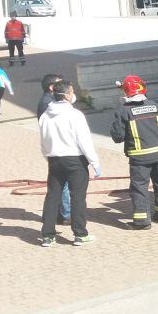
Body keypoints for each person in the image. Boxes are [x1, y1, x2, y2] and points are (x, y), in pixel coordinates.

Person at [38, 79, 100, 247]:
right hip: (75, 160)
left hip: (54, 159)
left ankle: (47, 235)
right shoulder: (75, 115)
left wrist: (49, 157)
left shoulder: (45, 116)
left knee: (52, 196)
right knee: (78, 197)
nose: (74, 95)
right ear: (66, 95)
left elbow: (43, 141)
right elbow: (84, 140)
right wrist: (94, 162)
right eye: (72, 92)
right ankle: (80, 234)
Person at [110, 74, 158, 229]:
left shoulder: (124, 111)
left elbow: (118, 137)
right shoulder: (156, 106)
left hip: (140, 158)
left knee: (139, 188)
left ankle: (142, 221)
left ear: (126, 92)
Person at [37, 73, 70, 225]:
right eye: (59, 83)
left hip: (54, 150)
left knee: (58, 185)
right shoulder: (48, 104)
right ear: (52, 88)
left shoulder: (49, 100)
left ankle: (58, 214)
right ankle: (65, 214)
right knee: (61, 185)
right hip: (59, 150)